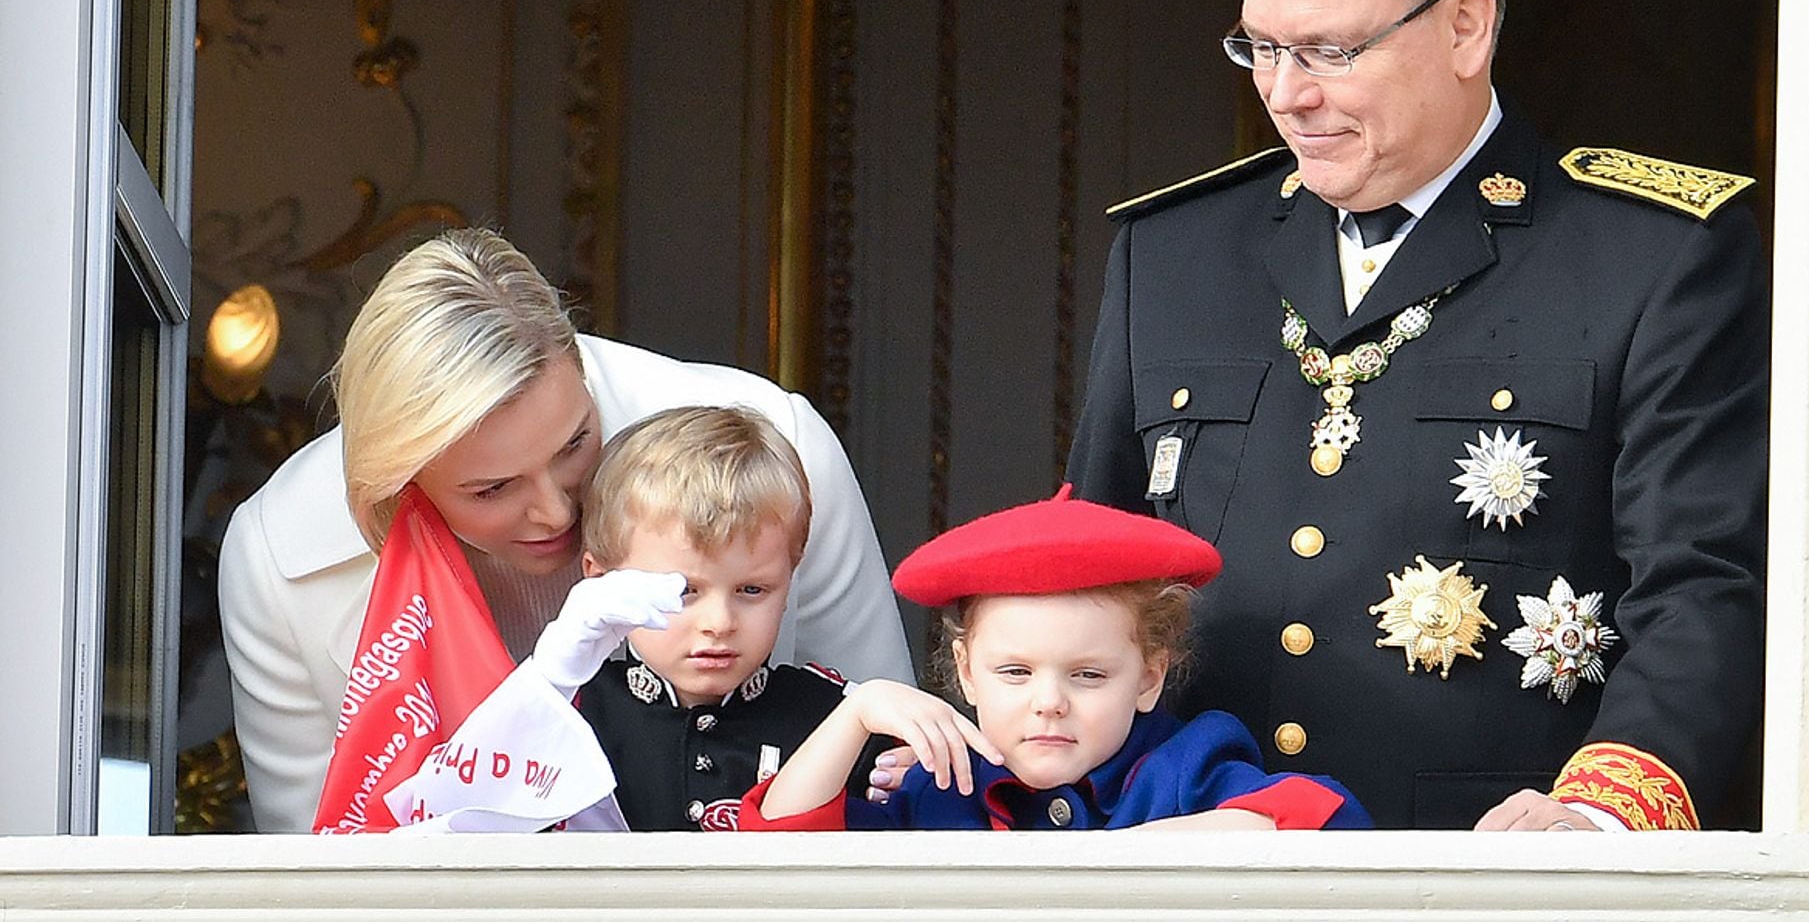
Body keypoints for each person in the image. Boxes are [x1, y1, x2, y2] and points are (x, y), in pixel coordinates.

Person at [1064, 0, 1767, 830]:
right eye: (1261, 47)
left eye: (1330, 50)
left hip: (1490, 879)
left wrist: (1602, 820)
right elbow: (1084, 576)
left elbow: (1703, 583)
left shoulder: (1650, 258)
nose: (1285, 93)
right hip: (1192, 864)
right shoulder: (1170, 255)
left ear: (1465, 27)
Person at [219, 228, 913, 831]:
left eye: (575, 445)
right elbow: (318, 876)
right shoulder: (277, 561)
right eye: (492, 489)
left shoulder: (777, 446)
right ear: (400, 483)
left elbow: (892, 765)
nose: (555, 512)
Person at [740, 487, 1371, 831]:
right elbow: (779, 849)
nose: (1049, 701)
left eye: (1089, 675)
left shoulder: (1186, 766)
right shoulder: (935, 789)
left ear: (1150, 677)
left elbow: (1327, 819)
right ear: (965, 672)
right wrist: (859, 712)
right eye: (1014, 672)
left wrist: (1139, 859)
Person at [566, 405, 878, 830]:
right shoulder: (567, 714)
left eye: (752, 590)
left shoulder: (839, 719)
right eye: (684, 591)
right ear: (600, 582)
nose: (719, 622)